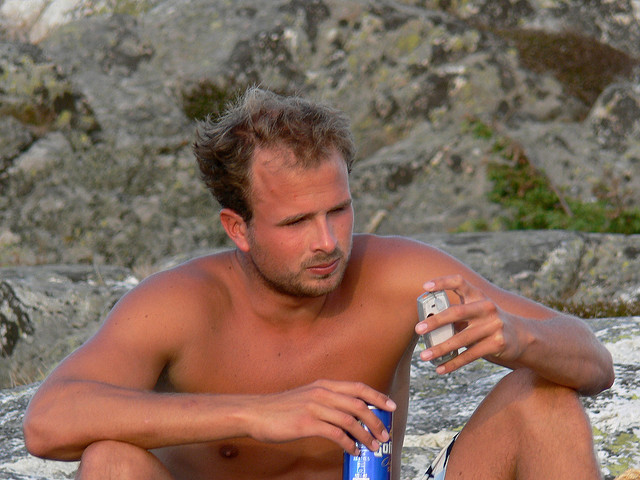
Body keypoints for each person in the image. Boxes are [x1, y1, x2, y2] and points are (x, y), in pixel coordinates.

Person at [23, 87, 614, 480]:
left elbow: (593, 362)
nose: (328, 241)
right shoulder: (181, 306)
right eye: (296, 222)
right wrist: (257, 415)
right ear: (238, 228)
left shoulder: (395, 273)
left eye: (338, 210)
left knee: (545, 398)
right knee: (112, 461)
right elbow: (48, 421)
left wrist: (517, 337)